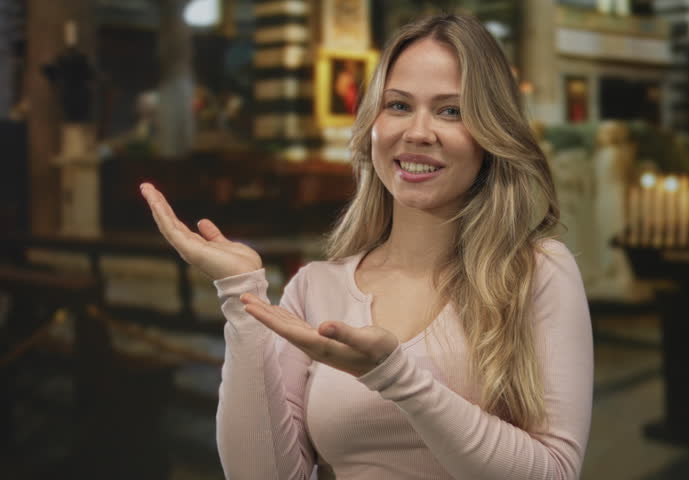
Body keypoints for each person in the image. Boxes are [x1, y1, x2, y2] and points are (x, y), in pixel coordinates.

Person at [140, 13, 593, 479]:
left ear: (492, 132)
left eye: (451, 111)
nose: (418, 132)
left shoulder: (536, 271)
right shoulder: (316, 288)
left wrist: (396, 377)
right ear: (372, 122)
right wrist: (242, 297)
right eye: (398, 105)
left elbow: (555, 472)